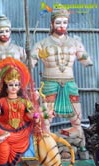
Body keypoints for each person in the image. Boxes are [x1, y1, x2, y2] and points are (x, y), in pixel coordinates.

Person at [31, 9, 93, 152]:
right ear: (51, 23)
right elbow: (30, 62)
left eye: (65, 22)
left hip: (69, 82)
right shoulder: (42, 44)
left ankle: (79, 140)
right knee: (46, 116)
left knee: (76, 114)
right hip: (49, 83)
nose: (61, 25)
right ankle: (45, 143)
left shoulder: (75, 43)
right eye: (58, 22)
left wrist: (84, 55)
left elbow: (86, 60)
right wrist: (28, 57)